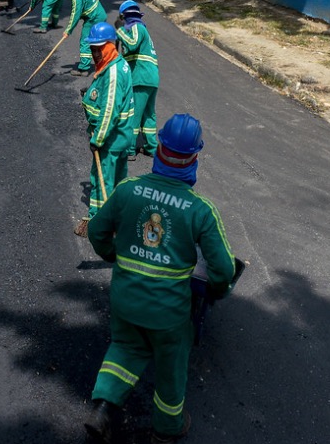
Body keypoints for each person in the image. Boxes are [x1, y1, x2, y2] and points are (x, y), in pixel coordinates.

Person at [85, 113, 237, 444]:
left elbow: (96, 230)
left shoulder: (128, 190)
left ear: (159, 150)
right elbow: (223, 269)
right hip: (169, 315)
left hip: (125, 301)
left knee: (124, 348)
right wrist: (217, 290)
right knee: (171, 365)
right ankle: (167, 430)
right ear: (195, 157)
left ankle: (103, 409)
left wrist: (113, 254)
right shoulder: (200, 210)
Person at [80, 22, 135, 221]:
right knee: (119, 179)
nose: (95, 54)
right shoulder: (118, 64)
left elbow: (109, 111)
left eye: (99, 49)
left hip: (110, 139)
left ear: (110, 46)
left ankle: (98, 219)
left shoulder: (113, 72)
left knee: (102, 178)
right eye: (93, 49)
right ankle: (119, 215)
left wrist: (98, 140)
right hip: (122, 136)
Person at [115, 0, 159, 159]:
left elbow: (132, 45)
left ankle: (130, 149)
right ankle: (151, 147)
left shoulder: (136, 27)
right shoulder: (140, 29)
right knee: (148, 114)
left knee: (133, 114)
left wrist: (119, 30)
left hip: (141, 77)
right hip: (150, 78)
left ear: (124, 16)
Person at [59, 0, 107, 76]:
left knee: (85, 41)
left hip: (93, 19)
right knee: (98, 42)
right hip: (100, 13)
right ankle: (105, 64)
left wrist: (68, 30)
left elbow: (75, 15)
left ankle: (83, 69)